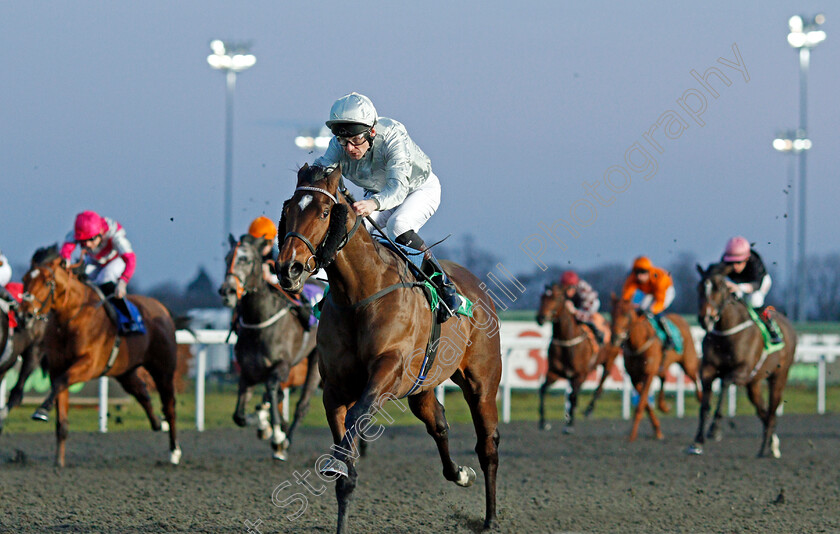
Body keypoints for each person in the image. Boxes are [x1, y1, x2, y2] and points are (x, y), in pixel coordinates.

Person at [312, 92, 460, 322]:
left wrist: (373, 203)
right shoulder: (338, 145)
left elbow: (398, 188)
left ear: (371, 131)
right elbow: (321, 170)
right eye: (344, 141)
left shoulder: (393, 135)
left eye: (356, 140)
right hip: (378, 194)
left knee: (398, 225)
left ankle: (443, 286)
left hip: (417, 189)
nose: (350, 148)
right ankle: (336, 293)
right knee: (352, 237)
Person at [59, 210, 143, 334]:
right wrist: (66, 261)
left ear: (101, 233)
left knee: (104, 278)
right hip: (95, 260)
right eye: (82, 242)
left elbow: (130, 259)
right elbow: (66, 249)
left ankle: (128, 319)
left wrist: (123, 282)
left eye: (91, 239)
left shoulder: (114, 234)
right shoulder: (77, 233)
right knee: (82, 279)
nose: (87, 244)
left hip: (115, 259)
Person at [246, 215, 314, 331]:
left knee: (298, 298)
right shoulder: (253, 254)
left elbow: (292, 279)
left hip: (298, 282)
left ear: (271, 241)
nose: (256, 247)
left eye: (260, 243)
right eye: (253, 242)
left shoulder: (280, 252)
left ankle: (308, 320)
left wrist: (270, 278)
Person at [718, 236, 782, 343]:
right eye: (731, 262)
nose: (734, 266)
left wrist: (739, 287)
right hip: (737, 283)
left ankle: (771, 328)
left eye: (738, 262)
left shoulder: (755, 262)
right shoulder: (724, 260)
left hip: (760, 283)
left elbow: (757, 284)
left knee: (754, 300)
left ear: (746, 259)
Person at [621, 256, 676, 350]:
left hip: (665, 291)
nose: (639, 276)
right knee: (640, 310)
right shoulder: (632, 278)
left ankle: (669, 337)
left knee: (654, 312)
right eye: (636, 272)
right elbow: (626, 296)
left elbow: (660, 302)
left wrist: (652, 310)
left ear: (649, 271)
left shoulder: (660, 278)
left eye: (642, 272)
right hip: (649, 292)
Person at [558, 270, 609, 344]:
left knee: (592, 320)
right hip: (575, 310)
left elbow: (587, 314)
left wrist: (574, 311)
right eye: (564, 288)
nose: (567, 292)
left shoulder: (585, 291)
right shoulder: (562, 291)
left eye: (569, 288)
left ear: (575, 286)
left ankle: (599, 337)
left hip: (589, 310)